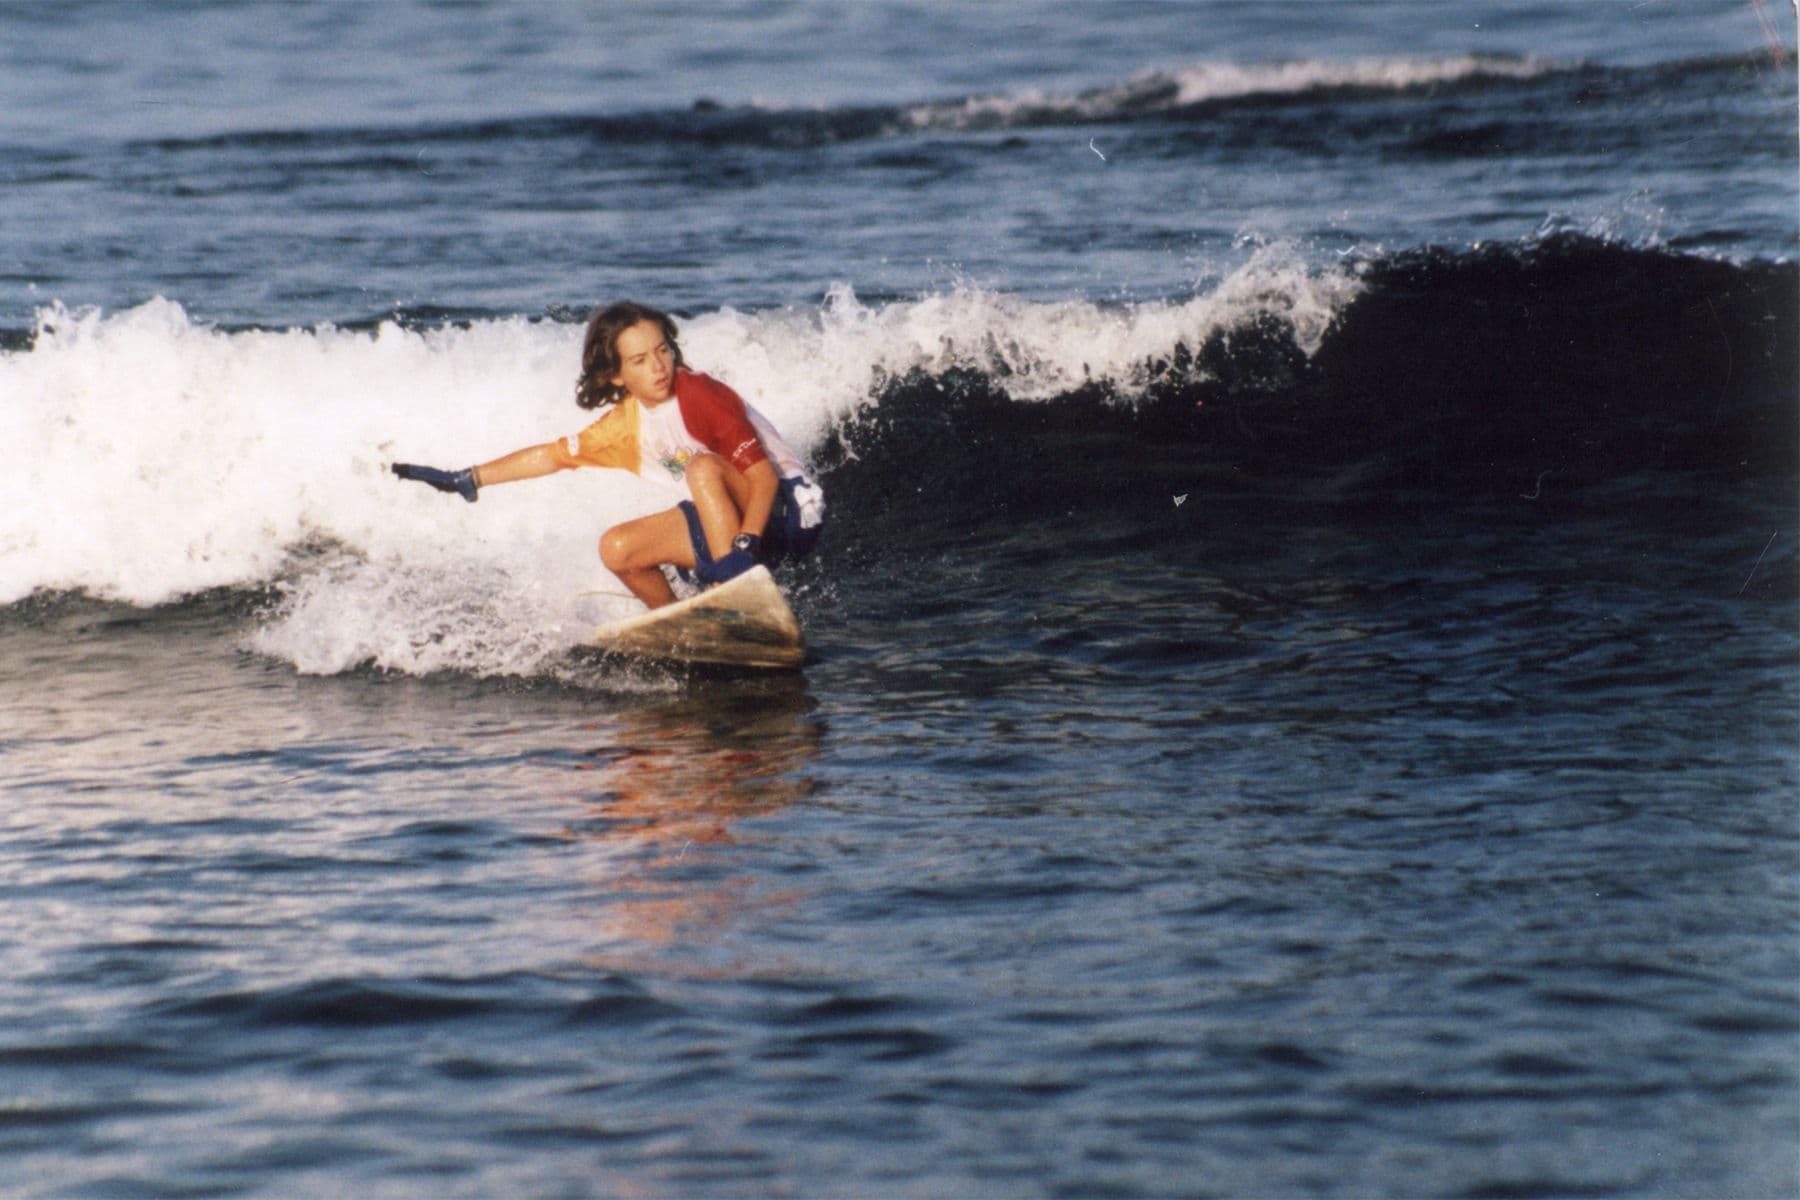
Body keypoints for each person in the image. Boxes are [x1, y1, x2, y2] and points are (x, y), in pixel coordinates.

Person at [391, 301, 824, 609]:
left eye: (662, 351)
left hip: (788, 510)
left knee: (702, 467)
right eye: (639, 360)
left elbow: (764, 478)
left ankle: (737, 597)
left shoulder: (699, 395)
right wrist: (470, 478)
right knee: (617, 549)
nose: (658, 367)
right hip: (728, 516)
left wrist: (745, 546)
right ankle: (687, 627)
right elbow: (553, 456)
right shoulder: (625, 427)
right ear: (616, 375)